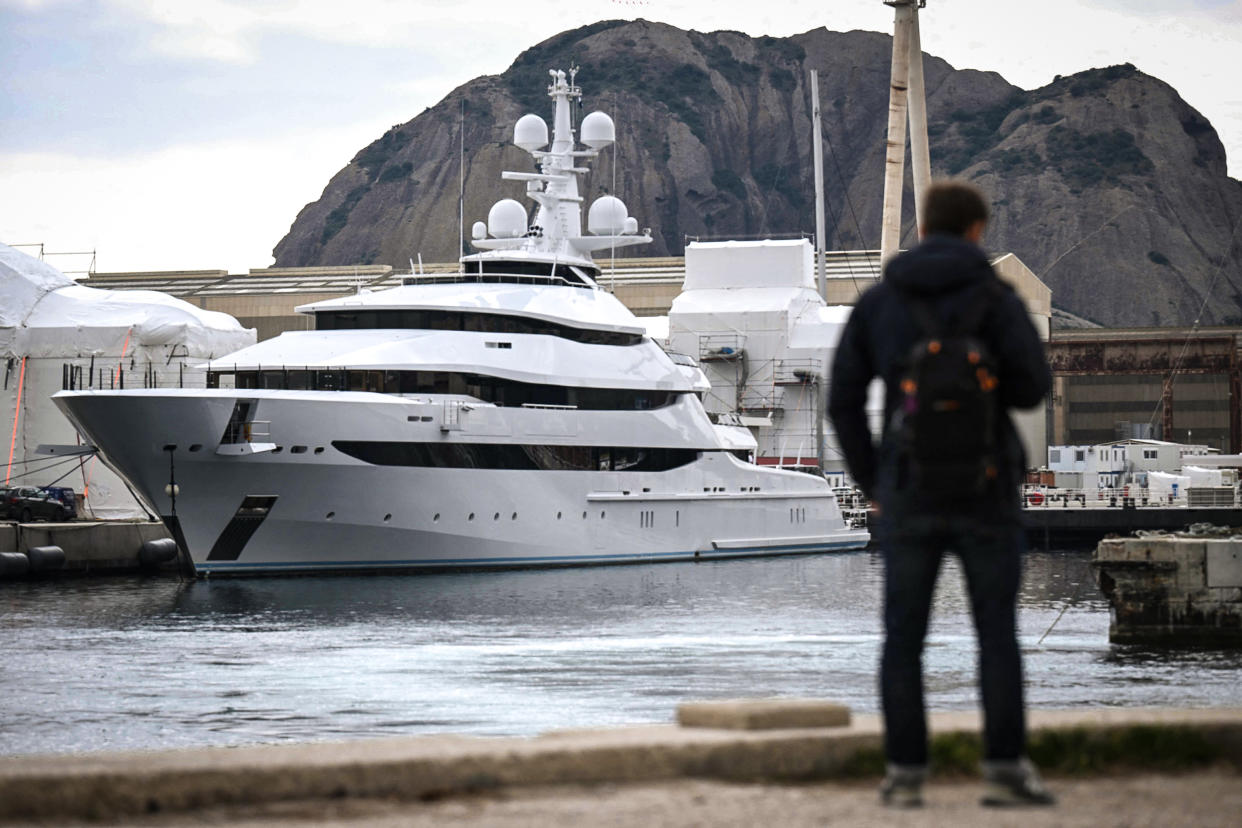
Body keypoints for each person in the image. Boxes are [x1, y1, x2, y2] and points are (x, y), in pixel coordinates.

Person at [827, 181, 1054, 808]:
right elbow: (1033, 388)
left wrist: (874, 482)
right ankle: (1005, 771)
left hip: (909, 491)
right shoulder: (998, 298)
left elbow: (842, 399)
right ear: (977, 231)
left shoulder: (881, 302)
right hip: (988, 490)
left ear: (922, 230)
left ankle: (905, 776)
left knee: (903, 639)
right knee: (995, 635)